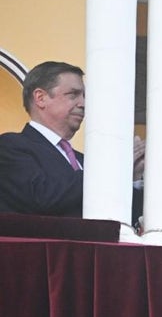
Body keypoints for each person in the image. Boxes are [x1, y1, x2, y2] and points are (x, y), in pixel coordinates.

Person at [0, 60, 144, 218]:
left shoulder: (83, 161)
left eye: (84, 96)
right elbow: (41, 197)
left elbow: (124, 218)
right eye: (73, 94)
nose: (83, 104)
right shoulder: (10, 146)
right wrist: (112, 169)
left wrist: (133, 177)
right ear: (40, 98)